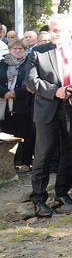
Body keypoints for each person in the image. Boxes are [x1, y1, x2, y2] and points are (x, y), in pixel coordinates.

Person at [26, 14, 72, 218]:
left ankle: (62, 193)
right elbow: (32, 81)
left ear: (71, 31)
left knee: (70, 153)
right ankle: (38, 198)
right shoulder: (38, 51)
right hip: (47, 109)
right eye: (51, 29)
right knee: (44, 154)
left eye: (57, 30)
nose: (53, 34)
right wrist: (55, 91)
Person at [0, 38, 35, 172]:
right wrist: (4, 93)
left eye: (21, 49)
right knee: (8, 134)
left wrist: (17, 92)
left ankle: (26, 162)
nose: (18, 51)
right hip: (5, 105)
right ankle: (10, 164)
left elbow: (31, 80)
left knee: (27, 134)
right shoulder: (2, 63)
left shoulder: (30, 64)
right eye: (15, 48)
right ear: (9, 50)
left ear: (25, 50)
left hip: (23, 104)